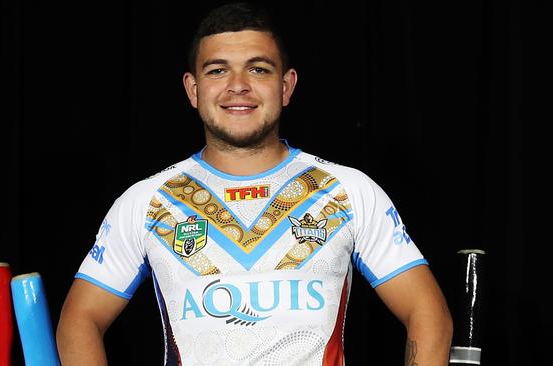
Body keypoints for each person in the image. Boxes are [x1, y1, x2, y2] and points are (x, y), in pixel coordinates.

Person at [56, 2, 453, 365]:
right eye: (217, 70)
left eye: (259, 68)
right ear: (193, 90)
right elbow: (80, 320)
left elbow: (427, 313)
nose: (238, 85)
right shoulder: (147, 202)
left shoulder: (348, 190)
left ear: (286, 85)